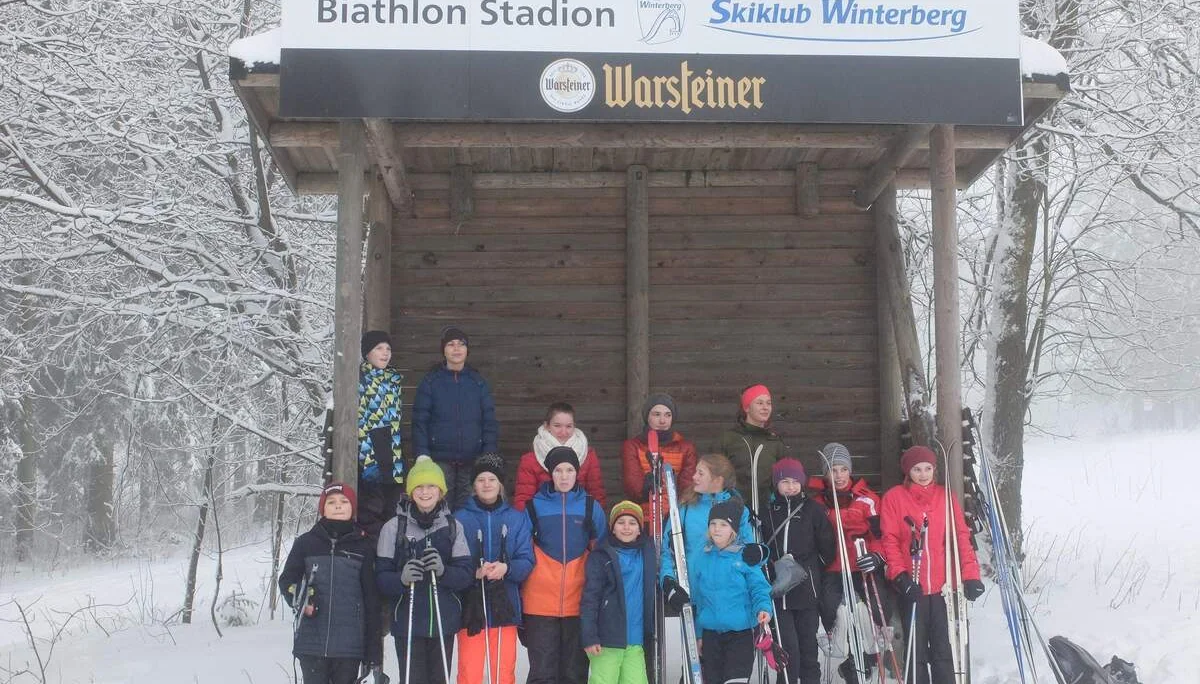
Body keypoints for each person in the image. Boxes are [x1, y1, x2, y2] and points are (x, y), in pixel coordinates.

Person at [880, 446, 985, 684]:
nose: (923, 473)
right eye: (917, 469)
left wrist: (970, 575)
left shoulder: (944, 496)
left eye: (928, 468)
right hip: (912, 587)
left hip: (943, 590)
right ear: (908, 471)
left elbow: (960, 537)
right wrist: (900, 576)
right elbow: (890, 540)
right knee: (915, 651)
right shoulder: (894, 498)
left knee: (943, 650)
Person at [376, 456, 474, 684]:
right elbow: (380, 578)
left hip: (444, 622)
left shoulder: (453, 526)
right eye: (419, 486)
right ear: (410, 491)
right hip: (407, 622)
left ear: (441, 491)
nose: (425, 492)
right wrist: (400, 579)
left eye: (431, 486)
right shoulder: (393, 528)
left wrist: (443, 571)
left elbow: (465, 575)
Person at [279, 482, 383, 684]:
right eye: (331, 502)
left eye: (344, 502)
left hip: (349, 647)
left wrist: (373, 652)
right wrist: (302, 598)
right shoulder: (306, 543)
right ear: (323, 508)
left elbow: (372, 602)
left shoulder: (363, 547)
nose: (338, 506)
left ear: (352, 508)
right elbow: (287, 581)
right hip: (311, 644)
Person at [521, 446, 608, 684]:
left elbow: (602, 552)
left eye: (569, 470)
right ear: (551, 473)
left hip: (578, 601)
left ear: (577, 472)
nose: (564, 476)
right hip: (539, 602)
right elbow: (521, 550)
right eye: (558, 470)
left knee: (574, 673)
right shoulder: (533, 506)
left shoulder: (591, 507)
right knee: (542, 673)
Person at [453, 453, 536, 684]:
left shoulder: (516, 519)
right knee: (470, 672)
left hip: (504, 605)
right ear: (474, 485)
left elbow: (526, 560)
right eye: (481, 480)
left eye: (492, 479)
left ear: (500, 484)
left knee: (503, 672)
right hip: (471, 608)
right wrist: (473, 573)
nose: (487, 484)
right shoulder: (459, 519)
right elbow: (452, 561)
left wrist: (506, 569)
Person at [808, 442, 887, 684]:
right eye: (833, 470)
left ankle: (870, 657)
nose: (839, 475)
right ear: (825, 474)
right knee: (834, 611)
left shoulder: (867, 500)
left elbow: (880, 536)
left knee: (869, 608)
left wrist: (875, 556)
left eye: (843, 469)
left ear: (850, 470)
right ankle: (846, 660)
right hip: (832, 569)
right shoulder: (817, 504)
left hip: (861, 568)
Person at [760, 459, 835, 684]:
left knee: (808, 646)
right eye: (784, 481)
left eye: (795, 481)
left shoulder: (814, 510)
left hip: (807, 588)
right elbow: (761, 544)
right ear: (776, 484)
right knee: (786, 647)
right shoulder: (768, 510)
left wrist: (811, 567)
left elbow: (827, 546)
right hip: (779, 590)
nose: (790, 486)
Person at [412, 326, 499, 508]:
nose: (457, 349)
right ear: (443, 350)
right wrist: (422, 454)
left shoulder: (478, 382)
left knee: (468, 508)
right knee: (440, 507)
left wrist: (488, 452)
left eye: (461, 344)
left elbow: (489, 421)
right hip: (439, 460)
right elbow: (420, 420)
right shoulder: (431, 382)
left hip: (472, 459)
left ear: (467, 349)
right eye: (451, 344)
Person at [690, 499, 774, 684]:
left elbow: (759, 588)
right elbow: (699, 600)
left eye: (723, 525)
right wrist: (698, 634)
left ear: (733, 530)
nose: (717, 529)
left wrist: (764, 608)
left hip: (740, 634)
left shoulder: (744, 557)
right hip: (711, 635)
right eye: (713, 524)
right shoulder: (703, 558)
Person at [581, 501, 656, 684]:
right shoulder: (601, 556)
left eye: (632, 523)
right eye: (621, 522)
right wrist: (590, 636)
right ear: (612, 528)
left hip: (635, 641)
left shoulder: (647, 552)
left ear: (640, 529)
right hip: (606, 641)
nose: (626, 528)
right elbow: (590, 599)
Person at [660, 453, 758, 589]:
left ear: (717, 480)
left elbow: (749, 553)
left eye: (700, 474)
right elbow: (667, 549)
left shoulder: (738, 509)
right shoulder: (685, 509)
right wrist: (668, 580)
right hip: (695, 590)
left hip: (730, 593)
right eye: (696, 472)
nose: (694, 477)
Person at [620, 392, 697, 531]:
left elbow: (688, 488)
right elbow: (633, 487)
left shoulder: (686, 448)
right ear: (647, 417)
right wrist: (647, 487)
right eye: (656, 414)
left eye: (668, 415)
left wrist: (676, 512)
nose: (662, 420)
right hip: (642, 518)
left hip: (676, 519)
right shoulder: (633, 446)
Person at [513, 402, 607, 511]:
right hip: (543, 519)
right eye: (557, 426)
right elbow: (523, 500)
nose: (563, 432)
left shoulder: (588, 455)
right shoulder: (530, 460)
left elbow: (597, 494)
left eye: (568, 426)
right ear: (546, 426)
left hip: (579, 519)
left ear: (574, 426)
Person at [358, 330, 405, 536]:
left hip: (393, 454)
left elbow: (395, 423)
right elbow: (360, 424)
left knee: (393, 511)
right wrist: (368, 461)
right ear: (367, 353)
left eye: (388, 349)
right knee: (371, 511)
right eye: (379, 348)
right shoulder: (361, 381)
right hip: (372, 453)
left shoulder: (393, 381)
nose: (385, 353)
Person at [716, 384, 788, 513]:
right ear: (747, 407)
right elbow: (714, 473)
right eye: (759, 403)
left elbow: (784, 478)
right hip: (734, 513)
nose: (765, 407)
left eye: (768, 403)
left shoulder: (774, 442)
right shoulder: (728, 439)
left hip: (767, 513)